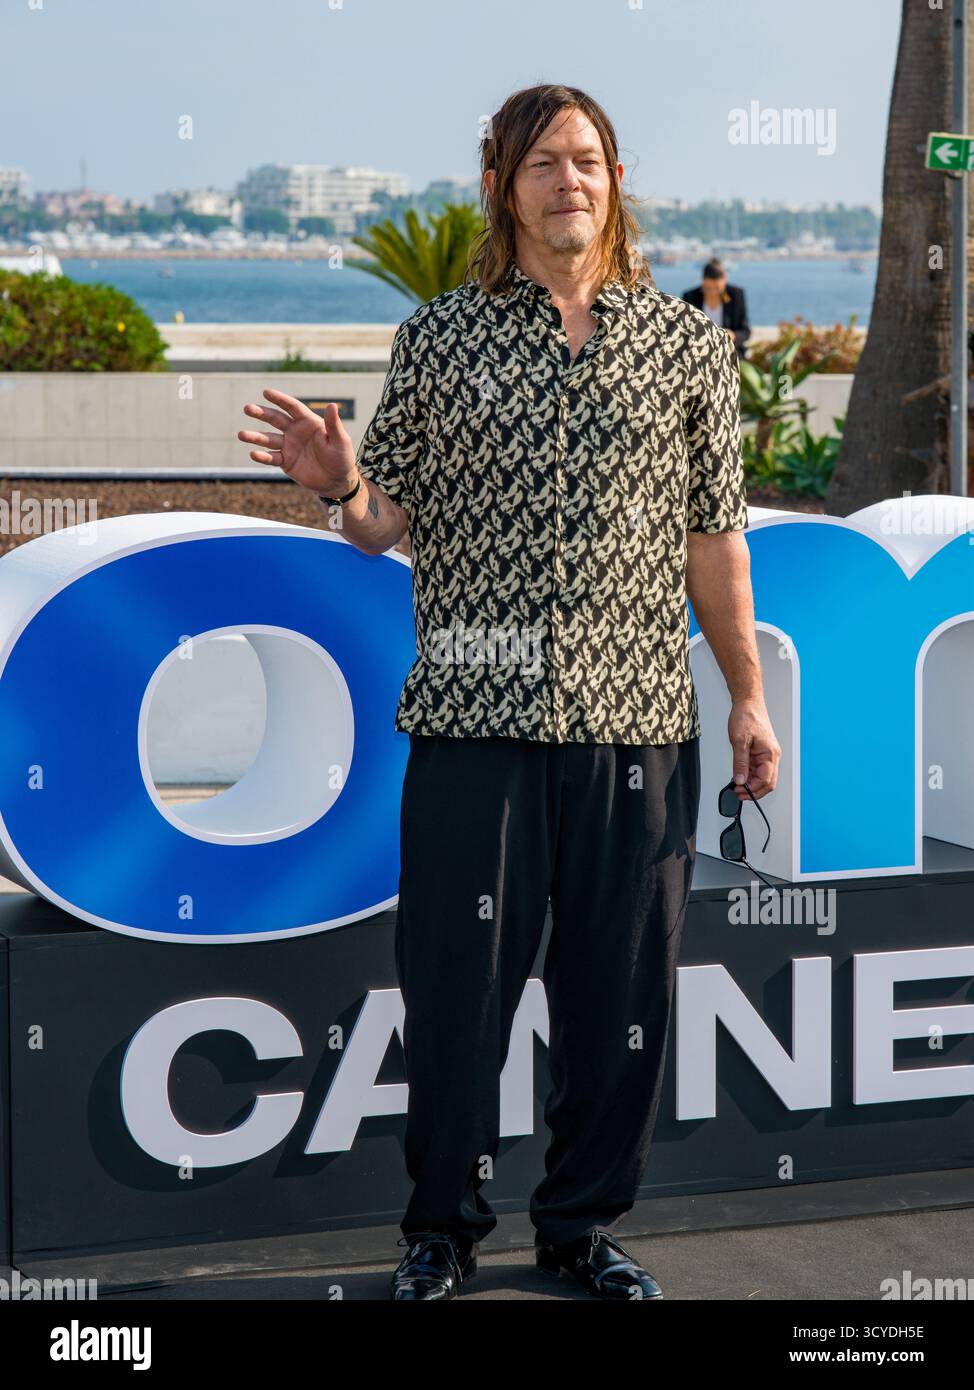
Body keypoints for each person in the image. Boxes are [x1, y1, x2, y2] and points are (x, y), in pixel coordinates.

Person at [238, 83, 780, 1301]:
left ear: (615, 181)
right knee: (456, 991)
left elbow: (716, 545)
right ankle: (439, 1229)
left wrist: (745, 699)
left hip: (634, 724)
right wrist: (338, 485)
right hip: (473, 723)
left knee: (619, 997)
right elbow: (384, 526)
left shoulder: (685, 347)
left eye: (586, 160)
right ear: (502, 184)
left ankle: (580, 1229)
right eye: (542, 163)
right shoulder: (438, 337)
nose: (567, 181)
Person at [683, 258, 751, 358]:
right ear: (703, 282)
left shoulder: (736, 295)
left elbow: (746, 331)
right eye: (708, 288)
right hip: (698, 354)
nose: (713, 292)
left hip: (730, 353)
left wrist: (733, 336)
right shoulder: (690, 297)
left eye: (717, 288)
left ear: (725, 280)